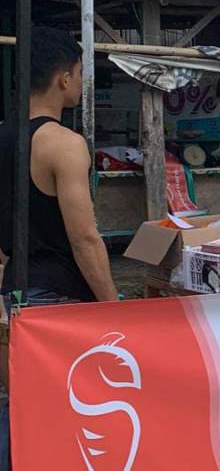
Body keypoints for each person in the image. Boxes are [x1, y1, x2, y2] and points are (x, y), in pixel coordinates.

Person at [0, 28, 118, 469]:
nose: (82, 82)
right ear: (63, 79)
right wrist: (114, 307)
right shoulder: (64, 145)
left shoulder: (3, 136)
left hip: (13, 293)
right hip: (59, 300)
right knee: (65, 413)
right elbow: (84, 238)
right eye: (81, 73)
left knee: (21, 405)